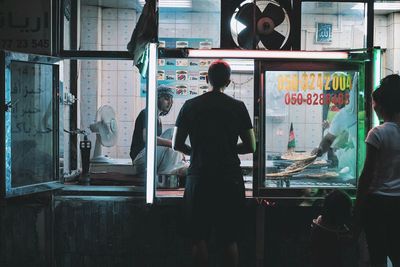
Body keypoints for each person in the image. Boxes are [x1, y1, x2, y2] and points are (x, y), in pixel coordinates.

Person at [173, 60, 256, 267]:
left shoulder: (190, 106)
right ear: (228, 81)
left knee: (198, 237)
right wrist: (227, 149)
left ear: (206, 79)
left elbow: (176, 143)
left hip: (199, 178)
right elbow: (251, 145)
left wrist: (197, 151)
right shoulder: (237, 107)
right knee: (229, 237)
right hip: (229, 179)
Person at [354, 74, 400, 267]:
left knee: (377, 256)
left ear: (381, 105)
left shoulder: (377, 133)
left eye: (373, 103)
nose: (372, 106)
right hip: (398, 204)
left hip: (377, 204)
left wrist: (358, 207)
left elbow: (367, 175)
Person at [129, 85, 186, 177]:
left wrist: (178, 149)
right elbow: (147, 138)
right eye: (167, 99)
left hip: (149, 159)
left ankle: (167, 175)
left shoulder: (158, 118)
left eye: (171, 100)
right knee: (172, 133)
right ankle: (169, 173)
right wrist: (173, 144)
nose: (170, 103)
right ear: (157, 98)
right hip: (140, 160)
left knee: (174, 147)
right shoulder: (146, 113)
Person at [312, 73, 358, 179]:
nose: (333, 102)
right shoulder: (342, 114)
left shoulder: (355, 108)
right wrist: (320, 150)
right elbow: (328, 139)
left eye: (333, 97)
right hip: (352, 168)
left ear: (345, 92)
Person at [310, 190, 355, 267]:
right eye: (349, 211)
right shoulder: (338, 236)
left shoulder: (318, 226)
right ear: (342, 214)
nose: (351, 214)